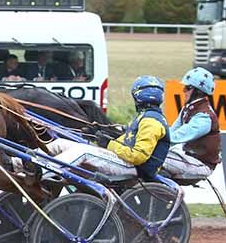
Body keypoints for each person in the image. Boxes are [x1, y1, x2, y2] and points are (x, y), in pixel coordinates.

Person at [40, 76, 170, 181]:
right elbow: (124, 141)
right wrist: (97, 136)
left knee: (82, 152)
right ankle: (21, 163)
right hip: (126, 163)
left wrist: (108, 144)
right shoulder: (146, 117)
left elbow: (137, 156)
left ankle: (41, 172)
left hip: (135, 168)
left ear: (137, 98)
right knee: (62, 143)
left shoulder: (151, 122)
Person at [162, 67, 221, 179]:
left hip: (202, 165)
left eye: (188, 88)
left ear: (198, 91)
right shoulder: (188, 108)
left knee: (157, 159)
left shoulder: (204, 117)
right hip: (190, 159)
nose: (184, 90)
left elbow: (177, 136)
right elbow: (172, 131)